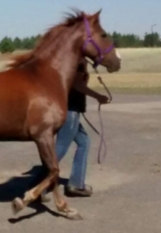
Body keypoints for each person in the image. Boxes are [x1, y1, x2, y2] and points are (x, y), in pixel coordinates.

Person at [38, 58, 110, 200]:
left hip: (71, 110)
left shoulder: (75, 59)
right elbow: (77, 85)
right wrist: (98, 96)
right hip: (70, 111)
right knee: (60, 148)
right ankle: (38, 186)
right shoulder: (78, 61)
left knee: (84, 143)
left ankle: (76, 183)